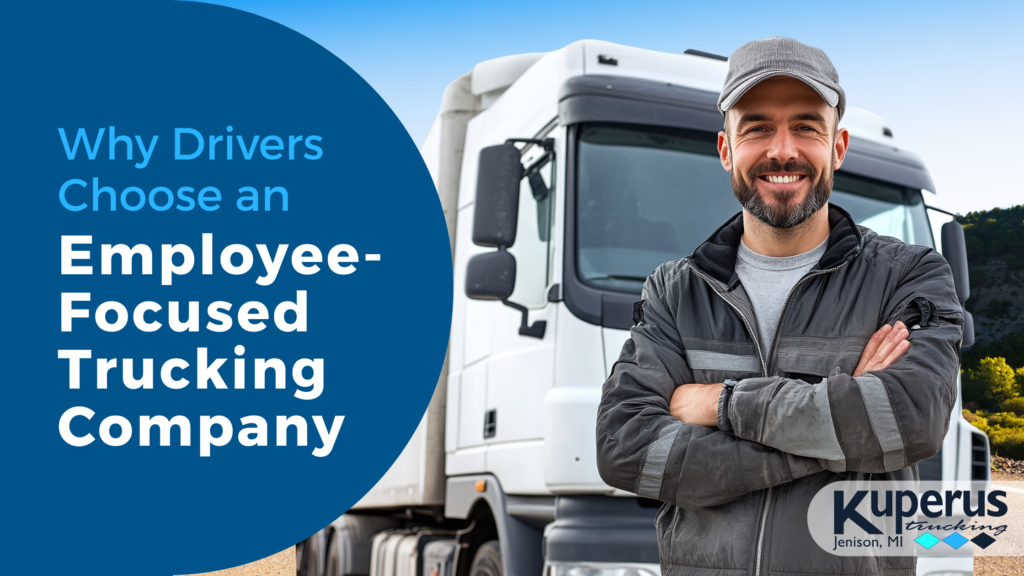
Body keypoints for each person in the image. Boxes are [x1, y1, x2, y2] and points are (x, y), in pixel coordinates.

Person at [595, 37, 964, 576]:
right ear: (726, 150)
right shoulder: (675, 291)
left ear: (838, 147)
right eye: (757, 128)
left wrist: (723, 404)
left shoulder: (907, 276)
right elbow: (625, 449)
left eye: (807, 127)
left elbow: (911, 419)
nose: (783, 150)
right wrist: (839, 429)